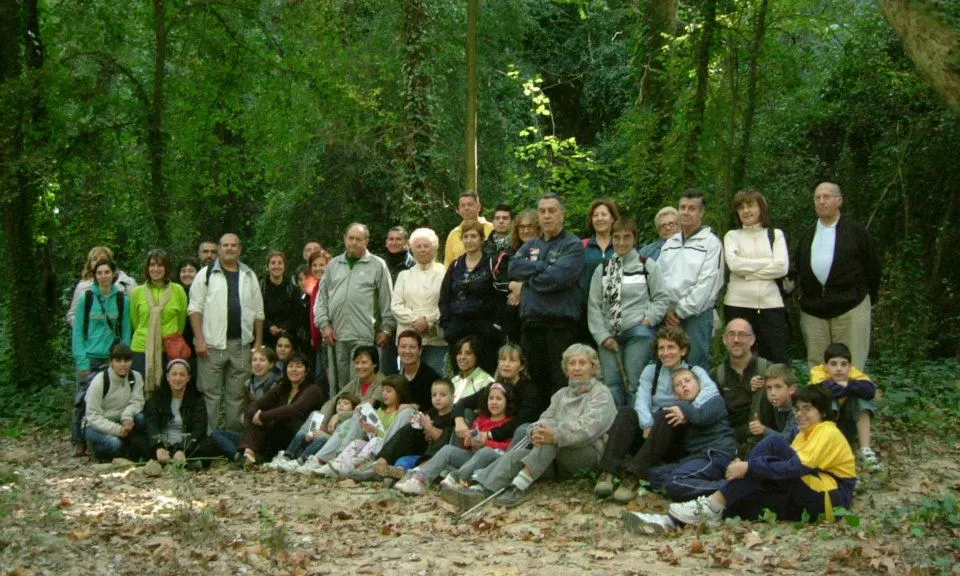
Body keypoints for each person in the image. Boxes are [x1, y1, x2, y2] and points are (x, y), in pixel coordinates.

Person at [637, 385, 856, 531]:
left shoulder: (827, 431)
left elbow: (793, 469)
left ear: (823, 412)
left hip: (828, 501)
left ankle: (712, 502)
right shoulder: (803, 434)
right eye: (797, 409)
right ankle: (668, 522)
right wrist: (750, 471)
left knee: (773, 444)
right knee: (744, 501)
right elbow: (783, 470)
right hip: (805, 499)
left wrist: (749, 467)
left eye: (807, 409)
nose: (800, 414)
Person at [444, 344, 616, 509]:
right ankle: (482, 488)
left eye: (582, 363)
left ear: (593, 367)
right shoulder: (561, 395)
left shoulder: (601, 394)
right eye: (572, 363)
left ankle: (517, 487)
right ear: (566, 368)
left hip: (586, 454)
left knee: (549, 437)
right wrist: (537, 430)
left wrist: (554, 434)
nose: (577, 368)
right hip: (552, 458)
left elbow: (587, 430)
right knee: (517, 454)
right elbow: (544, 419)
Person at [594, 326, 719, 501]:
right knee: (626, 413)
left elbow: (711, 392)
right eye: (661, 348)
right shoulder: (651, 371)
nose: (665, 353)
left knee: (666, 414)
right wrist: (646, 424)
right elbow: (642, 399)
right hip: (651, 432)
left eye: (671, 347)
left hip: (676, 437)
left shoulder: (695, 371)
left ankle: (633, 477)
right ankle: (607, 472)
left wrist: (685, 410)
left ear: (683, 350)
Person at [601, 368, 736, 504]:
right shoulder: (679, 410)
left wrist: (681, 407)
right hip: (694, 458)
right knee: (652, 475)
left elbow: (700, 418)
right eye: (678, 384)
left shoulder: (714, 400)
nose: (683, 385)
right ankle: (610, 472)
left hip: (715, 453)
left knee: (675, 482)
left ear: (699, 385)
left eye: (687, 381)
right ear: (676, 395)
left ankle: (731, 487)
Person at [509, 193, 585, 413]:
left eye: (552, 211)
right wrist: (544, 267)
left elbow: (557, 279)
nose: (547, 216)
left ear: (562, 214)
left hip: (559, 327)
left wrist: (527, 283)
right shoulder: (531, 244)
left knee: (559, 383)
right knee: (533, 383)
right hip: (531, 325)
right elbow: (513, 268)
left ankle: (557, 431)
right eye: (542, 211)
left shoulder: (572, 245)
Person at [796, 182, 882, 370]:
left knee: (850, 366)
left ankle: (852, 400)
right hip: (814, 312)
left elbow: (873, 268)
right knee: (818, 368)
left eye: (826, 197)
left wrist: (864, 297)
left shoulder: (856, 232)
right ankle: (822, 401)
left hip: (850, 308)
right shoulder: (808, 235)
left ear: (839, 201)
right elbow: (798, 270)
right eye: (817, 198)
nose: (821, 201)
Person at [588, 217, 670, 407]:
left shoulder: (645, 265)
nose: (621, 242)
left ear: (634, 239)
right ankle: (618, 429)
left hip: (637, 331)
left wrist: (649, 320)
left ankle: (639, 426)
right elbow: (594, 305)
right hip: (609, 333)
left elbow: (661, 297)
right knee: (612, 385)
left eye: (627, 237)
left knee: (635, 382)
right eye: (617, 237)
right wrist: (602, 336)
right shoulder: (603, 268)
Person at [188, 233, 265, 433]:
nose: (229, 249)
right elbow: (195, 309)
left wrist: (258, 343)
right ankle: (208, 439)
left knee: (238, 394)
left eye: (233, 245)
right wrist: (199, 340)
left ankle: (232, 438)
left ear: (240, 249)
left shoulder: (249, 275)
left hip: (241, 345)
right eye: (225, 245)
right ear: (219, 249)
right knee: (210, 394)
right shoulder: (205, 274)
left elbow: (258, 312)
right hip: (211, 345)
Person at [315, 223, 395, 394]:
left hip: (365, 336)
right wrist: (324, 325)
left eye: (358, 239)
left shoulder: (377, 265)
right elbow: (321, 300)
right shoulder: (333, 265)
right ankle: (339, 418)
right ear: (345, 239)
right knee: (338, 385)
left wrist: (387, 329)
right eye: (350, 238)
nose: (354, 242)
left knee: (363, 384)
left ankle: (361, 418)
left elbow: (387, 300)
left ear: (366, 241)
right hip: (336, 336)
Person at [395, 383, 515, 495]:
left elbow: (508, 447)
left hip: (491, 461)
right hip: (473, 457)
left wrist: (486, 443)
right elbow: (467, 444)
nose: (494, 402)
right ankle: (420, 481)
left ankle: (455, 478)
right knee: (448, 450)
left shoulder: (509, 423)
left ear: (507, 401)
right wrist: (469, 441)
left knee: (486, 451)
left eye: (499, 399)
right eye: (491, 398)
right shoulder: (481, 419)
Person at [658, 189, 724, 370]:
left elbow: (708, 285)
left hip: (697, 315)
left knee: (696, 366)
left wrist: (680, 311)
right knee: (668, 364)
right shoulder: (670, 244)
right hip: (669, 314)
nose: (686, 212)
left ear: (701, 212)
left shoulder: (711, 243)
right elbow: (658, 279)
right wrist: (666, 309)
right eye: (682, 207)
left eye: (692, 208)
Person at [723, 189, 790, 364]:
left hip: (771, 305)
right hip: (737, 305)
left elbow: (782, 267)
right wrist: (768, 262)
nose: (746, 211)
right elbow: (735, 266)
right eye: (741, 207)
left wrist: (748, 273)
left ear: (761, 208)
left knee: (775, 359)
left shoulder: (775, 234)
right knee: (741, 359)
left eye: (750, 205)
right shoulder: (732, 236)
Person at [356, 379, 456, 483]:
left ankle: (396, 474)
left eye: (443, 395)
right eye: (434, 395)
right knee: (410, 428)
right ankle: (381, 462)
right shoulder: (432, 412)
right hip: (421, 450)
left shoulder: (455, 415)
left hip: (433, 456)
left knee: (406, 461)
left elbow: (444, 440)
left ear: (453, 397)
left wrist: (428, 427)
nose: (437, 398)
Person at [439, 220, 502, 374]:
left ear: (482, 239)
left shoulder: (491, 263)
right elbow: (445, 297)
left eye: (473, 236)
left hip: (484, 331)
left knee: (484, 376)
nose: (469, 240)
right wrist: (447, 324)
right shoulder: (455, 266)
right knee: (460, 377)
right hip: (457, 330)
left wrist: (495, 326)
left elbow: (499, 296)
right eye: (465, 236)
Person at [238, 351, 324, 464]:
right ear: (286, 369)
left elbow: (294, 409)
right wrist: (255, 414)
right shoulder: (283, 388)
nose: (294, 369)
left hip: (299, 435)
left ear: (306, 371)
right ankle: (250, 454)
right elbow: (257, 403)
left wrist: (262, 416)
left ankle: (247, 454)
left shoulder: (313, 389)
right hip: (278, 432)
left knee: (265, 422)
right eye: (290, 366)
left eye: (299, 366)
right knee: (253, 419)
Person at [450, 343, 537, 450]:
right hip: (485, 435)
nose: (506, 364)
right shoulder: (495, 386)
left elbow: (521, 421)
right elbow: (462, 403)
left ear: (522, 366)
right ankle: (457, 453)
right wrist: (459, 421)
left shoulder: (529, 390)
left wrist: (488, 434)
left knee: (523, 428)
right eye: (503, 359)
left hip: (510, 442)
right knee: (465, 412)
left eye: (512, 360)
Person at [809, 343, 880, 471]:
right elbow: (826, 390)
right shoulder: (818, 372)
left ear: (850, 367)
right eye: (833, 364)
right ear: (825, 366)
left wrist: (846, 384)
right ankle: (826, 447)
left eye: (843, 364)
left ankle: (866, 450)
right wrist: (851, 386)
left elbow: (869, 391)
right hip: (824, 425)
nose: (839, 368)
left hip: (847, 426)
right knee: (830, 400)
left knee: (861, 401)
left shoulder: (853, 372)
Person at [325, 375, 413, 476]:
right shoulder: (379, 411)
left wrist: (376, 431)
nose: (384, 394)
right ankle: (339, 461)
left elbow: (393, 437)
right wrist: (368, 429)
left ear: (400, 393)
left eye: (388, 391)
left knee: (375, 441)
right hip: (372, 446)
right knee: (357, 442)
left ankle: (356, 465)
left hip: (386, 450)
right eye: (383, 390)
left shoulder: (401, 413)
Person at [130, 249, 189, 397]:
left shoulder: (178, 290)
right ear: (147, 268)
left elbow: (181, 322)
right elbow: (135, 321)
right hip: (142, 348)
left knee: (167, 392)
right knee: (141, 391)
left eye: (160, 265)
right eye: (152, 265)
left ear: (167, 268)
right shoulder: (137, 292)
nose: (156, 269)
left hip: (170, 349)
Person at [711, 319, 776, 452]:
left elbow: (785, 408)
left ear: (752, 340)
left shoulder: (768, 369)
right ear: (724, 339)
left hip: (764, 439)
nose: (736, 340)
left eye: (742, 335)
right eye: (731, 334)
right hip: (729, 441)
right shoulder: (716, 375)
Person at [391, 228, 448, 376]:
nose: (422, 250)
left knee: (434, 381)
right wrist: (417, 321)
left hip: (436, 339)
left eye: (426, 246)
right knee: (407, 382)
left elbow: (448, 303)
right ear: (412, 249)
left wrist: (428, 321)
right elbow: (396, 306)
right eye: (418, 246)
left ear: (434, 248)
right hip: (408, 340)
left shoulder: (445, 273)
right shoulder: (404, 276)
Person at [266, 391, 360, 472]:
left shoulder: (349, 422)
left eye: (346, 403)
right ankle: (286, 456)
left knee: (322, 439)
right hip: (313, 445)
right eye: (339, 403)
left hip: (327, 452)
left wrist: (325, 435)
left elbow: (340, 441)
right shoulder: (330, 417)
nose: (341, 405)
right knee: (302, 434)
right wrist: (312, 433)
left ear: (353, 408)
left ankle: (300, 461)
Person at [139, 359, 208, 469]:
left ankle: (172, 459)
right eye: (174, 374)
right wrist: (158, 447)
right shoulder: (156, 398)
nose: (177, 378)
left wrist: (181, 449)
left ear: (188, 378)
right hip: (163, 442)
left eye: (182, 375)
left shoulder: (197, 400)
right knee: (137, 439)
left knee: (209, 442)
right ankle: (169, 459)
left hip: (184, 443)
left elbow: (199, 429)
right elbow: (151, 424)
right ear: (167, 377)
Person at [82, 344, 145, 462]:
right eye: (118, 360)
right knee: (114, 444)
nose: (123, 364)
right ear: (111, 361)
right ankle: (97, 450)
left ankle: (128, 452)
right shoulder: (100, 381)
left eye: (127, 360)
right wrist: (116, 430)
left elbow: (137, 401)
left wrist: (128, 415)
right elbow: (92, 415)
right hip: (94, 426)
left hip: (122, 421)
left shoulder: (136, 377)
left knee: (141, 418)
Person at [72, 259, 134, 378]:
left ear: (113, 274)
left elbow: (126, 331)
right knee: (88, 396)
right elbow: (77, 332)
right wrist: (82, 362)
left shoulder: (122, 300)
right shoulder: (86, 299)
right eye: (99, 273)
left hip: (113, 358)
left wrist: (123, 359)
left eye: (107, 272)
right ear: (95, 275)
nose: (103, 276)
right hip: (89, 358)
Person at [66, 246, 137, 327]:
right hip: (94, 337)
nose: (98, 261)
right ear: (90, 264)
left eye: (102, 258)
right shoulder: (82, 287)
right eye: (94, 259)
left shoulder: (127, 282)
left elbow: (136, 310)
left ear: (110, 261)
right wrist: (85, 330)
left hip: (119, 336)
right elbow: (72, 315)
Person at [381, 226, 416, 376]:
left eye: (398, 239)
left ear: (406, 242)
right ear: (386, 242)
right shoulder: (379, 266)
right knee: (386, 371)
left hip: (407, 323)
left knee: (408, 370)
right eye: (391, 239)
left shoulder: (414, 266)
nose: (394, 242)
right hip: (384, 326)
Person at [503, 209, 541, 343]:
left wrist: (522, 290)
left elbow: (545, 276)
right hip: (513, 314)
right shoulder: (509, 252)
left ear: (538, 228)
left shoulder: (545, 249)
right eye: (522, 227)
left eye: (530, 226)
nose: (526, 230)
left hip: (538, 314)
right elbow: (505, 276)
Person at [260, 250, 306, 351]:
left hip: (288, 339)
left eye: (280, 263)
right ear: (268, 267)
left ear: (284, 266)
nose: (276, 266)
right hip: (266, 339)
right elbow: (256, 312)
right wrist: (269, 326)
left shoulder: (292, 288)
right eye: (273, 263)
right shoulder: (260, 287)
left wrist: (284, 327)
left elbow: (298, 314)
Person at [580, 199, 620, 311]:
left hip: (615, 309)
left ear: (612, 218)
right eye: (595, 215)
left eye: (604, 214)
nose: (599, 218)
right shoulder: (582, 246)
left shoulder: (621, 246)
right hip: (585, 309)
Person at [749, 364, 798, 442]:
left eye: (778, 387)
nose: (772, 393)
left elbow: (788, 440)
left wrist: (764, 430)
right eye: (769, 388)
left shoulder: (798, 409)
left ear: (792, 389)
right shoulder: (777, 400)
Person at [444, 191, 494, 267]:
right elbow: (448, 264)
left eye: (470, 205)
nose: (466, 208)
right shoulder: (453, 234)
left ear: (478, 207)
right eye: (462, 206)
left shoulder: (492, 229)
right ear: (459, 209)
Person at [395, 330, 442, 411]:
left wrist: (414, 407)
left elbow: (437, 408)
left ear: (420, 351)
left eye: (412, 347)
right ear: (398, 350)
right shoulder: (396, 376)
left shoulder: (432, 378)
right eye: (403, 347)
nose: (407, 351)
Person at [306, 250, 332, 382]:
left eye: (322, 265)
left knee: (328, 379)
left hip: (329, 340)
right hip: (319, 342)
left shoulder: (331, 286)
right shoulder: (316, 287)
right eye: (314, 265)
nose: (317, 268)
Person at [449, 336, 495, 403]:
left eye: (468, 353)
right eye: (459, 353)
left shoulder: (486, 381)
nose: (462, 357)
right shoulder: (453, 381)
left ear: (476, 356)